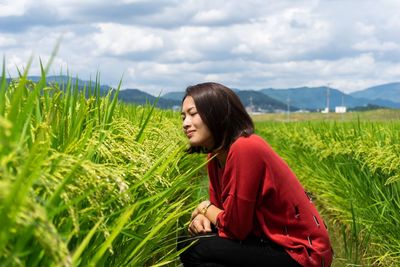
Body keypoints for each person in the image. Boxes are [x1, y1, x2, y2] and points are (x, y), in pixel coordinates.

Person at [178, 82, 333, 267]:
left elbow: (236, 229)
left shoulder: (246, 147)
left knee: (194, 247)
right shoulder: (215, 157)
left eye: (193, 114)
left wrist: (204, 208)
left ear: (217, 113)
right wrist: (204, 217)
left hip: (299, 252)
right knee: (195, 247)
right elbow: (223, 214)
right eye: (183, 116)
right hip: (265, 241)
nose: (185, 123)